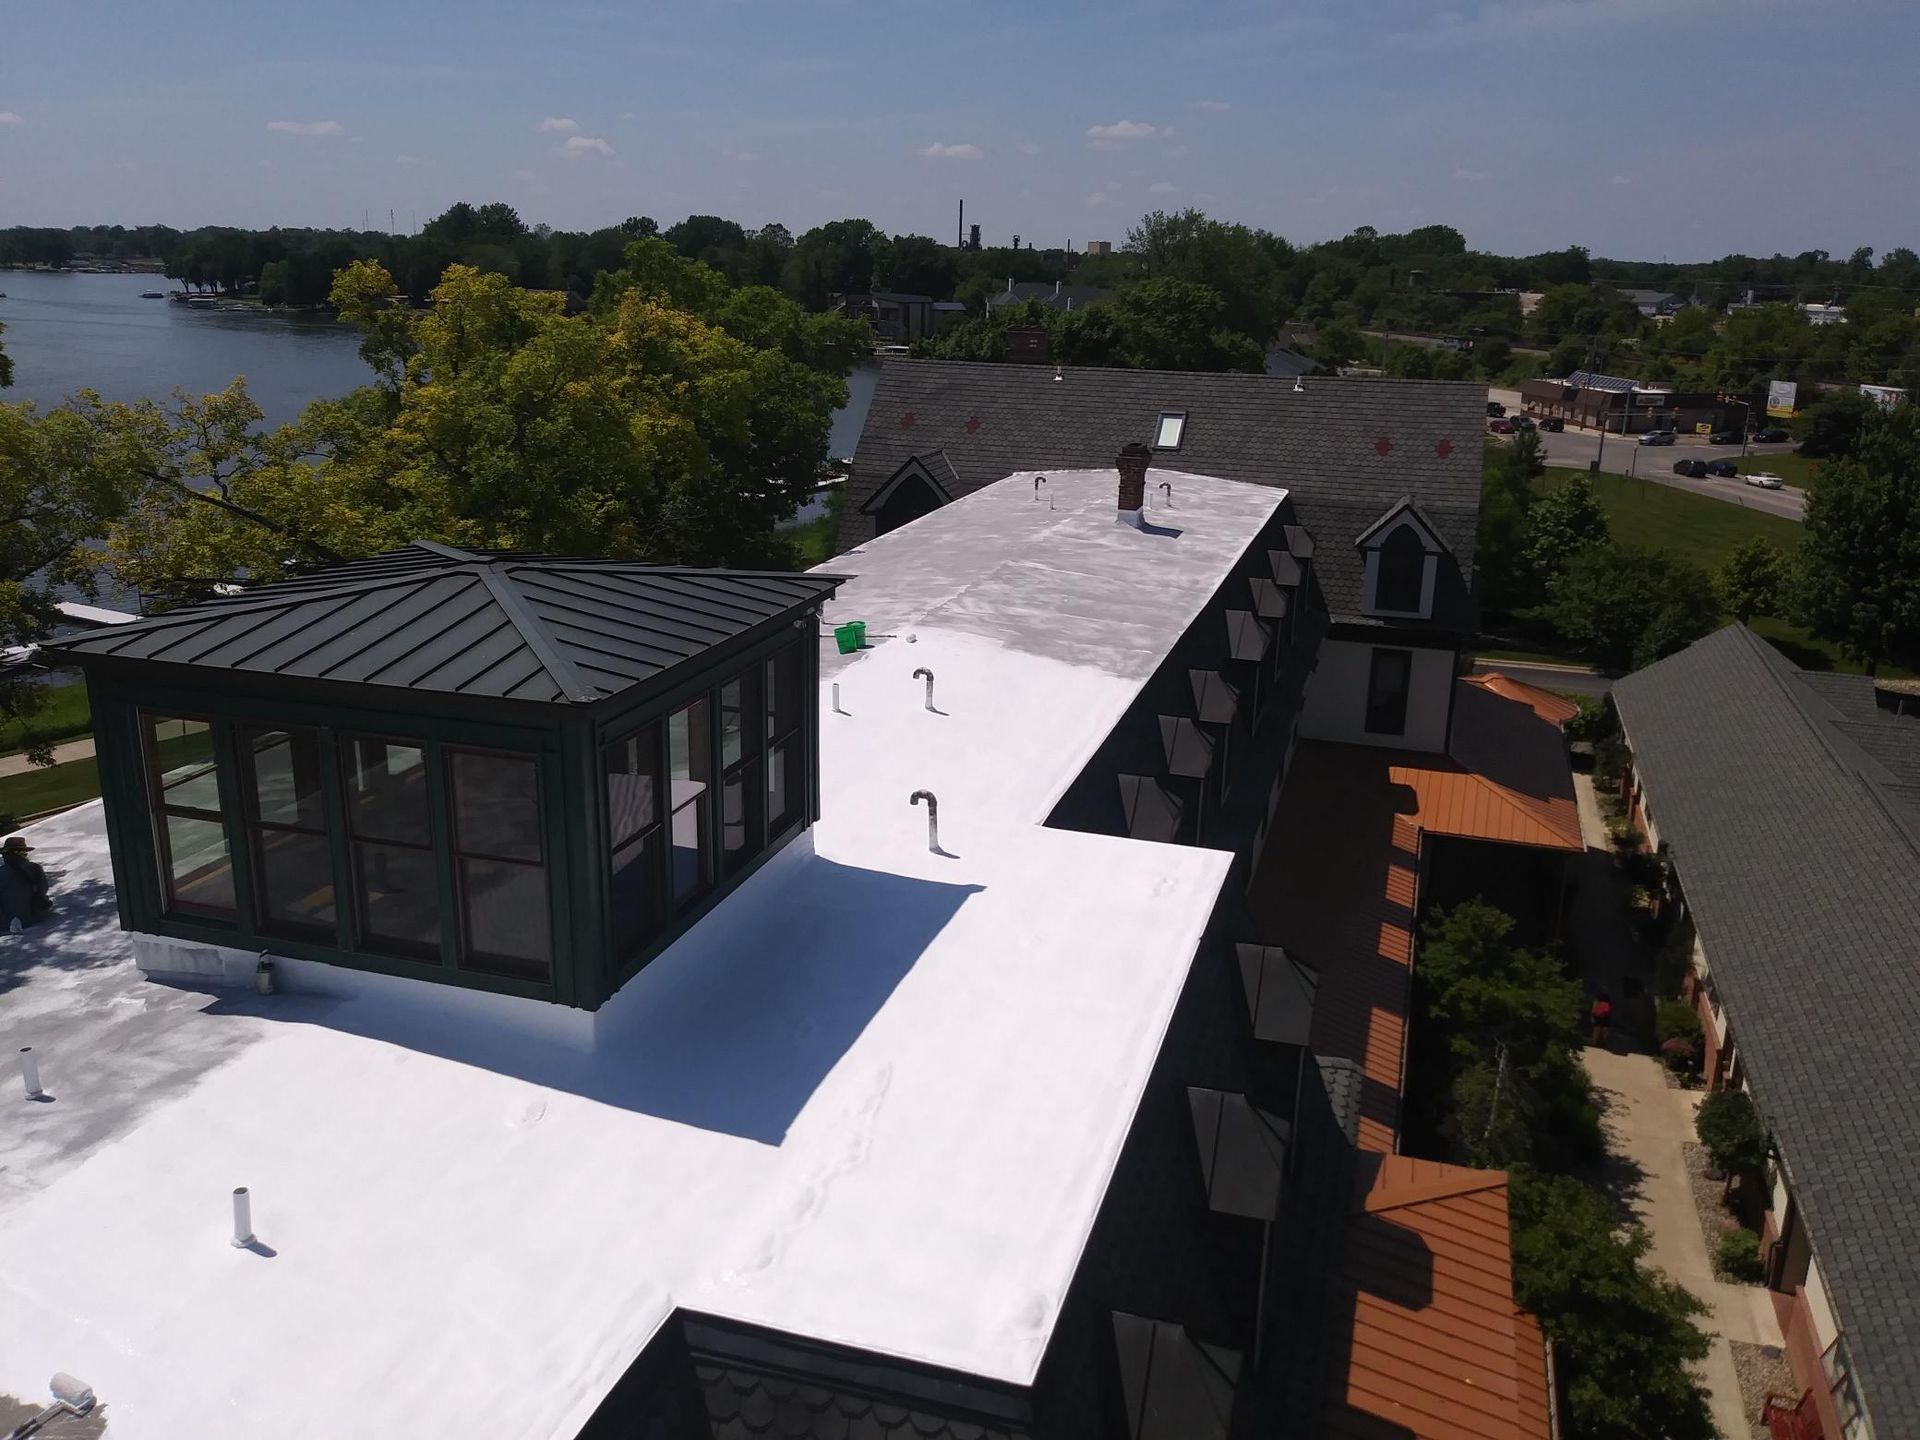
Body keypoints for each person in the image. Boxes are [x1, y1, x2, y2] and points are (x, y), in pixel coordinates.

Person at [0, 834, 50, 932]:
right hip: (37, 917)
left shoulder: (1, 873)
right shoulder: (35, 868)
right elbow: (43, 890)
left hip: (7, 924)